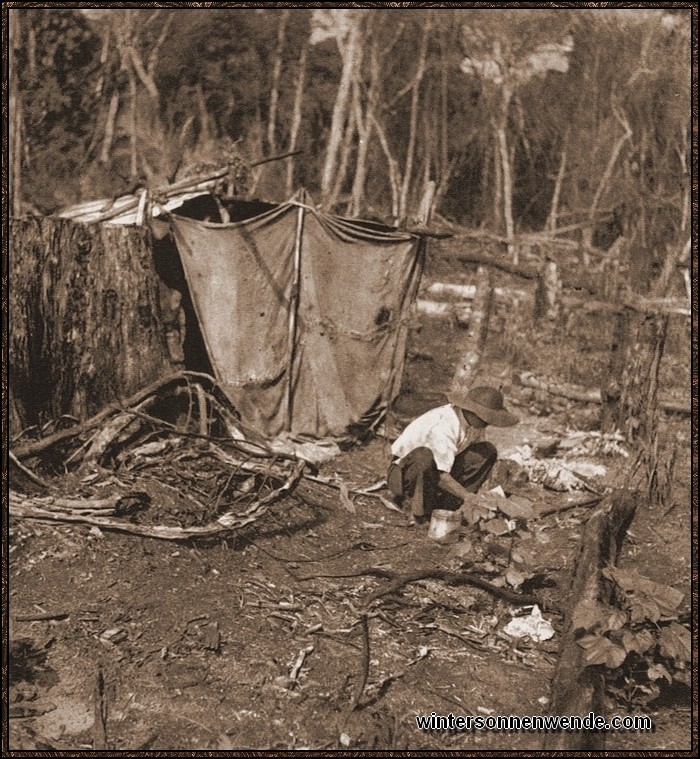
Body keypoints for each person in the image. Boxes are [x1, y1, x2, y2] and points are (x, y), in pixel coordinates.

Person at [387, 385, 518, 523]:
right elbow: (441, 474)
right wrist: (467, 496)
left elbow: (472, 456)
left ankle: (449, 505)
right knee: (424, 457)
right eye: (484, 418)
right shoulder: (444, 425)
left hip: (436, 471)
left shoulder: (474, 424)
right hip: (404, 474)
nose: (487, 423)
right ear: (472, 411)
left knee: (487, 451)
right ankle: (415, 509)